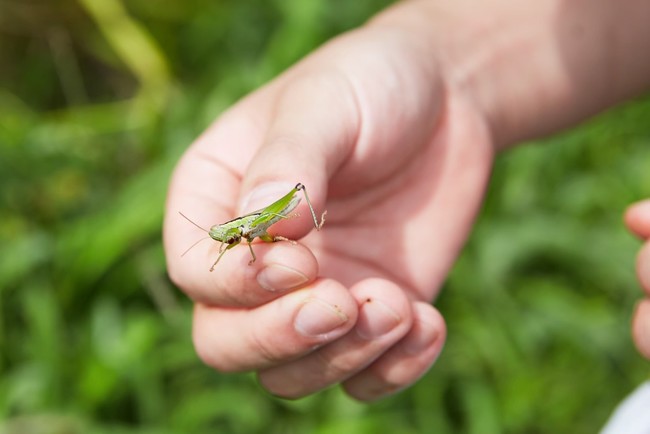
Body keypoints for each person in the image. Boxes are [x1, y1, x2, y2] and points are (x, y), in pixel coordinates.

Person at [163, 0, 650, 405]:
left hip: (281, 214)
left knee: (279, 226)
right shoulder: (234, 236)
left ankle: (309, 210)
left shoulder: (243, 233)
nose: (221, 238)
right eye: (220, 238)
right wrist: (441, 64)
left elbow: (250, 240)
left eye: (220, 236)